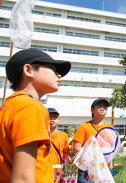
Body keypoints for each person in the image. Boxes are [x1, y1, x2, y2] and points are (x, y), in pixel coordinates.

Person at [0, 48, 71, 182]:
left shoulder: (8, 106)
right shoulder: (30, 107)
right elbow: (23, 178)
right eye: (53, 69)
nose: (59, 75)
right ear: (28, 70)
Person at [73, 98, 113, 183]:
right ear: (92, 110)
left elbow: (112, 147)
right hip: (87, 169)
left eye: (105, 106)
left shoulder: (110, 128)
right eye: (99, 106)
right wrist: (94, 153)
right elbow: (76, 147)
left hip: (104, 167)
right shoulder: (84, 127)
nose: (102, 108)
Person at [48, 107, 70, 182]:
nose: (52, 119)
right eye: (49, 117)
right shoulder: (39, 135)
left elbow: (65, 154)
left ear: (59, 119)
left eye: (55, 117)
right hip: (42, 169)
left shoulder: (64, 136)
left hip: (57, 169)